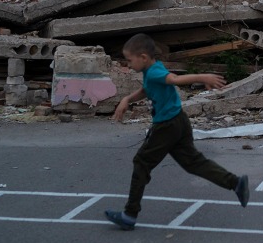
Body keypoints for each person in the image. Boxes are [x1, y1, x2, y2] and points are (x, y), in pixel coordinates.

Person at [104, 33, 249, 231]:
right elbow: (148, 89)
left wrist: (202, 76)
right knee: (193, 162)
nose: (128, 65)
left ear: (143, 57)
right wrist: (127, 99)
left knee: (141, 163)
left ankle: (129, 215)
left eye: (130, 60)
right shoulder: (152, 70)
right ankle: (236, 183)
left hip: (166, 127)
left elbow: (174, 79)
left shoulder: (154, 72)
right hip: (179, 121)